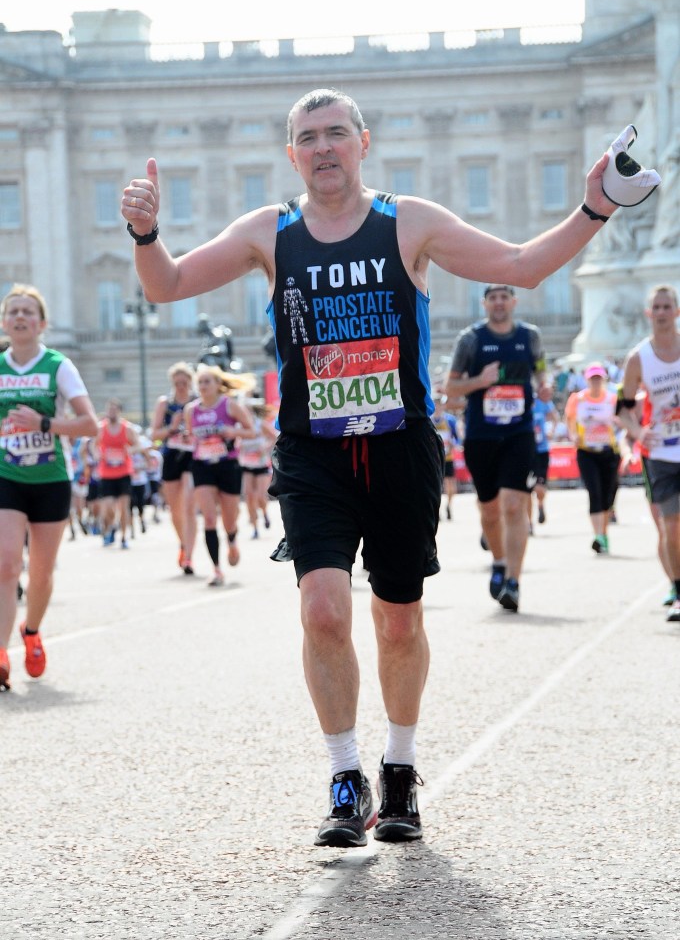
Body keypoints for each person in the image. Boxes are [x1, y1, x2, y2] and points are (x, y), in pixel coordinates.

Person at [121, 86, 618, 845]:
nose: (323, 147)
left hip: (398, 447)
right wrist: (146, 232)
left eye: (335, 133)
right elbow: (168, 285)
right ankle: (345, 774)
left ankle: (401, 767)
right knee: (323, 610)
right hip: (312, 452)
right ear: (292, 156)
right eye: (307, 137)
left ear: (363, 142)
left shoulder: (407, 222)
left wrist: (594, 209)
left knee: (398, 619)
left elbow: (521, 267)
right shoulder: (268, 231)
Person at [0, 284, 98, 690]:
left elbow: (90, 425)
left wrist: (43, 423)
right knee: (6, 564)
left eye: (28, 311)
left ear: (41, 324)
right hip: (6, 476)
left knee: (40, 574)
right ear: (4, 322)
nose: (20, 317)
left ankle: (32, 631)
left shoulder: (58, 365)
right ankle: (0, 652)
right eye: (13, 311)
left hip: (51, 478)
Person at [446, 285, 551, 612]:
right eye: (493, 298)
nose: (499, 303)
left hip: (519, 433)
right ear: (485, 304)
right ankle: (499, 561)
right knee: (490, 510)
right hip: (481, 436)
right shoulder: (471, 339)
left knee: (514, 505)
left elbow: (541, 369)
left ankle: (513, 582)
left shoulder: (529, 336)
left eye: (505, 297)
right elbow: (451, 387)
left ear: (514, 302)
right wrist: (480, 381)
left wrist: (545, 386)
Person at [618, 285, 680, 622]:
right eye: (656, 307)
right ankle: (678, 591)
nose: (661, 312)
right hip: (661, 454)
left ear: (677, 311)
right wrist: (639, 431)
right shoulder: (638, 358)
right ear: (648, 313)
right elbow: (622, 410)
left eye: (667, 306)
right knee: (671, 525)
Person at [183, 365, 255, 585]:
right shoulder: (191, 410)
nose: (203, 386)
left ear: (217, 385)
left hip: (227, 465)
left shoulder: (229, 405)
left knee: (229, 519)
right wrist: (189, 438)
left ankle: (232, 539)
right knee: (209, 518)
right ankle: (216, 569)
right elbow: (191, 436)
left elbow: (251, 430)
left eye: (207, 381)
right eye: (200, 382)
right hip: (202, 465)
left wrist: (233, 432)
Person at [564, 364, 621, 554]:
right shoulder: (578, 399)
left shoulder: (612, 399)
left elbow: (623, 421)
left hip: (609, 452)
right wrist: (573, 435)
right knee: (594, 493)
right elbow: (570, 420)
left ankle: (604, 534)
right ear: (587, 380)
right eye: (592, 379)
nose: (596, 382)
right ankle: (598, 536)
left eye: (599, 378)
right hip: (586, 452)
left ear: (604, 380)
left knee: (607, 495)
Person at [151, 362, 197, 574]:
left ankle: (189, 557)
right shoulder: (165, 403)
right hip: (171, 456)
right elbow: (154, 434)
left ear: (190, 382)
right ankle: (183, 544)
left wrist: (190, 431)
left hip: (192, 456)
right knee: (175, 509)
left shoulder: (196, 402)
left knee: (188, 505)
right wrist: (171, 427)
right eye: (177, 383)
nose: (181, 387)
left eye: (184, 383)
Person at [96, 399, 139, 549]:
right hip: (106, 474)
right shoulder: (101, 428)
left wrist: (130, 450)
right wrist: (97, 455)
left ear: (120, 411)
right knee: (108, 507)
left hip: (124, 472)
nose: (111, 412)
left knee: (124, 507)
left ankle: (124, 537)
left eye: (114, 409)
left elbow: (137, 445)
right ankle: (112, 526)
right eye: (109, 409)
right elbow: (93, 445)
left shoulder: (127, 428)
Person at [238, 401, 279, 538]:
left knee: (261, 496)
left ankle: (265, 513)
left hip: (261, 465)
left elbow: (275, 438)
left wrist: (265, 448)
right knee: (249, 496)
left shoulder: (259, 424)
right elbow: (235, 442)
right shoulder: (239, 426)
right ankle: (255, 528)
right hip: (246, 465)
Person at [530, 387, 559, 530]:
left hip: (541, 451)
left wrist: (551, 431)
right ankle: (529, 522)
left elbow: (555, 418)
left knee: (539, 487)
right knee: (526, 491)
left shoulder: (544, 403)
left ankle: (540, 505)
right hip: (525, 451)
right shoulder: (524, 401)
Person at [431, 394, 460, 520]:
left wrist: (454, 444)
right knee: (436, 485)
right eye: (436, 404)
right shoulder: (429, 420)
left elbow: (457, 438)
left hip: (448, 457)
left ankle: (448, 506)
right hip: (434, 458)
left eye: (440, 404)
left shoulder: (450, 420)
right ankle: (437, 508)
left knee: (451, 485)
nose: (438, 406)